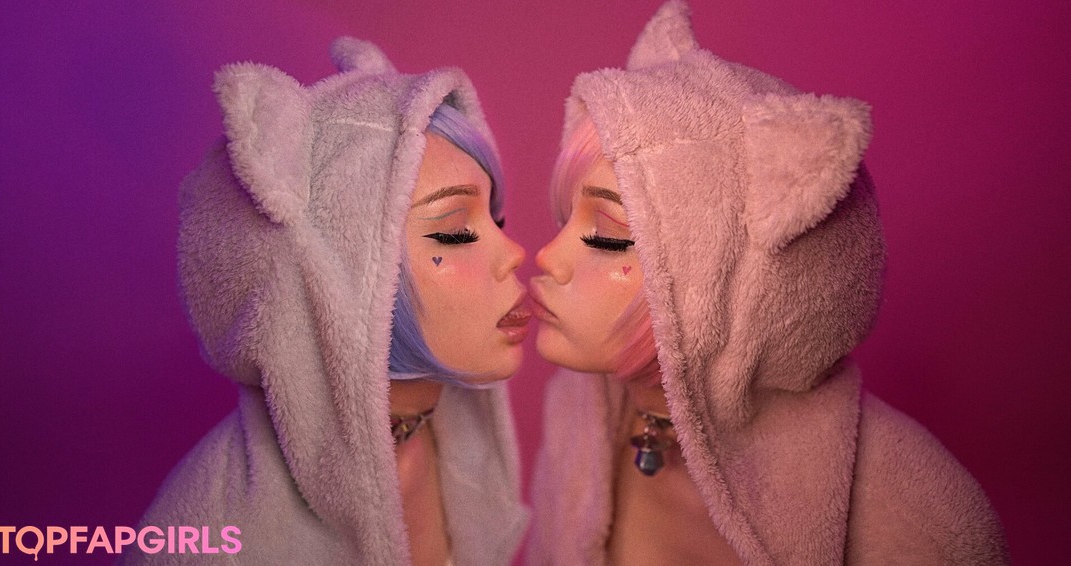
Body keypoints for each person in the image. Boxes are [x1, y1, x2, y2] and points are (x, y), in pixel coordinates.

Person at [528, 2, 1007, 564]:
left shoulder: (916, 517)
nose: (547, 257)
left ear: (733, 283)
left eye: (608, 236)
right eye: (566, 218)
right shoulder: (577, 416)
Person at [124, 37, 528, 565]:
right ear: (336, 280)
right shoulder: (211, 539)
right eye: (455, 232)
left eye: (496, 219)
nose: (516, 253)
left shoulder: (450, 456)